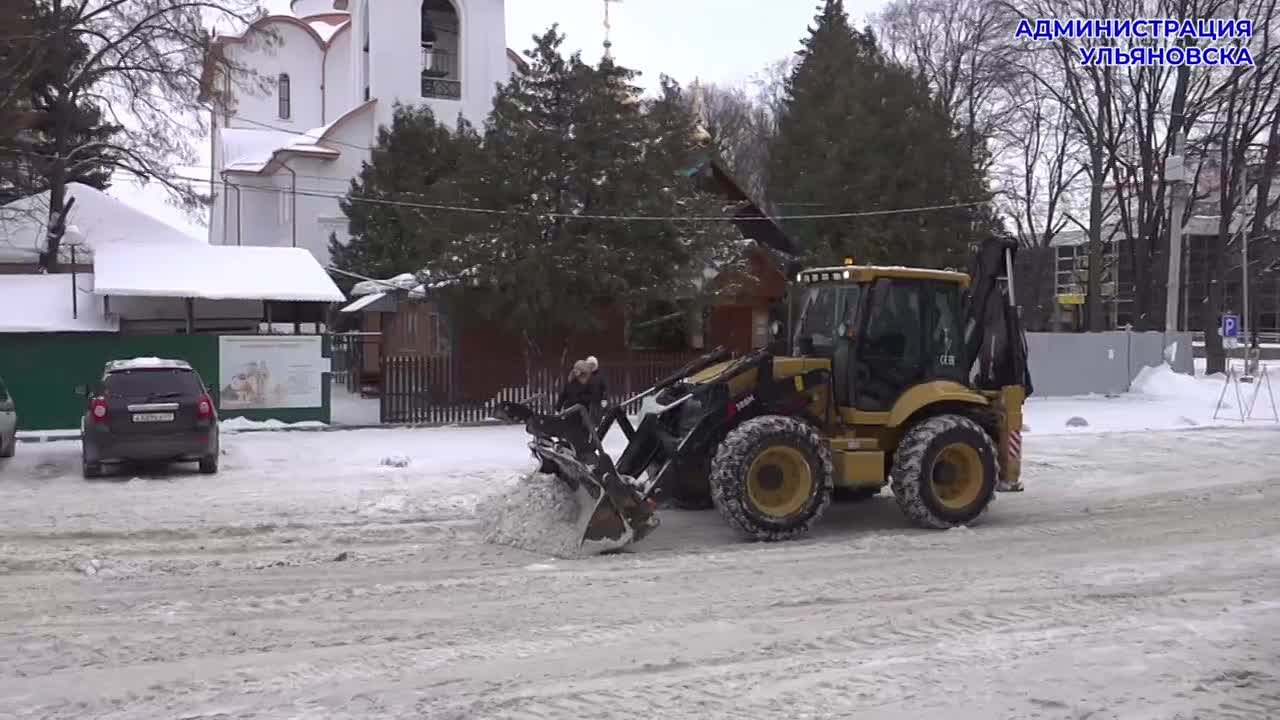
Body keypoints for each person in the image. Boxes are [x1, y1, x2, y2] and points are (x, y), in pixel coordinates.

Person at [584, 355, 608, 426]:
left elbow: (605, 388)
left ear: (596, 365)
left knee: (597, 419)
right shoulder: (585, 375)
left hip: (598, 401)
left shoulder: (600, 375)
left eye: (593, 364)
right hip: (587, 401)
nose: (591, 366)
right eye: (590, 364)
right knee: (588, 419)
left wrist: (604, 398)